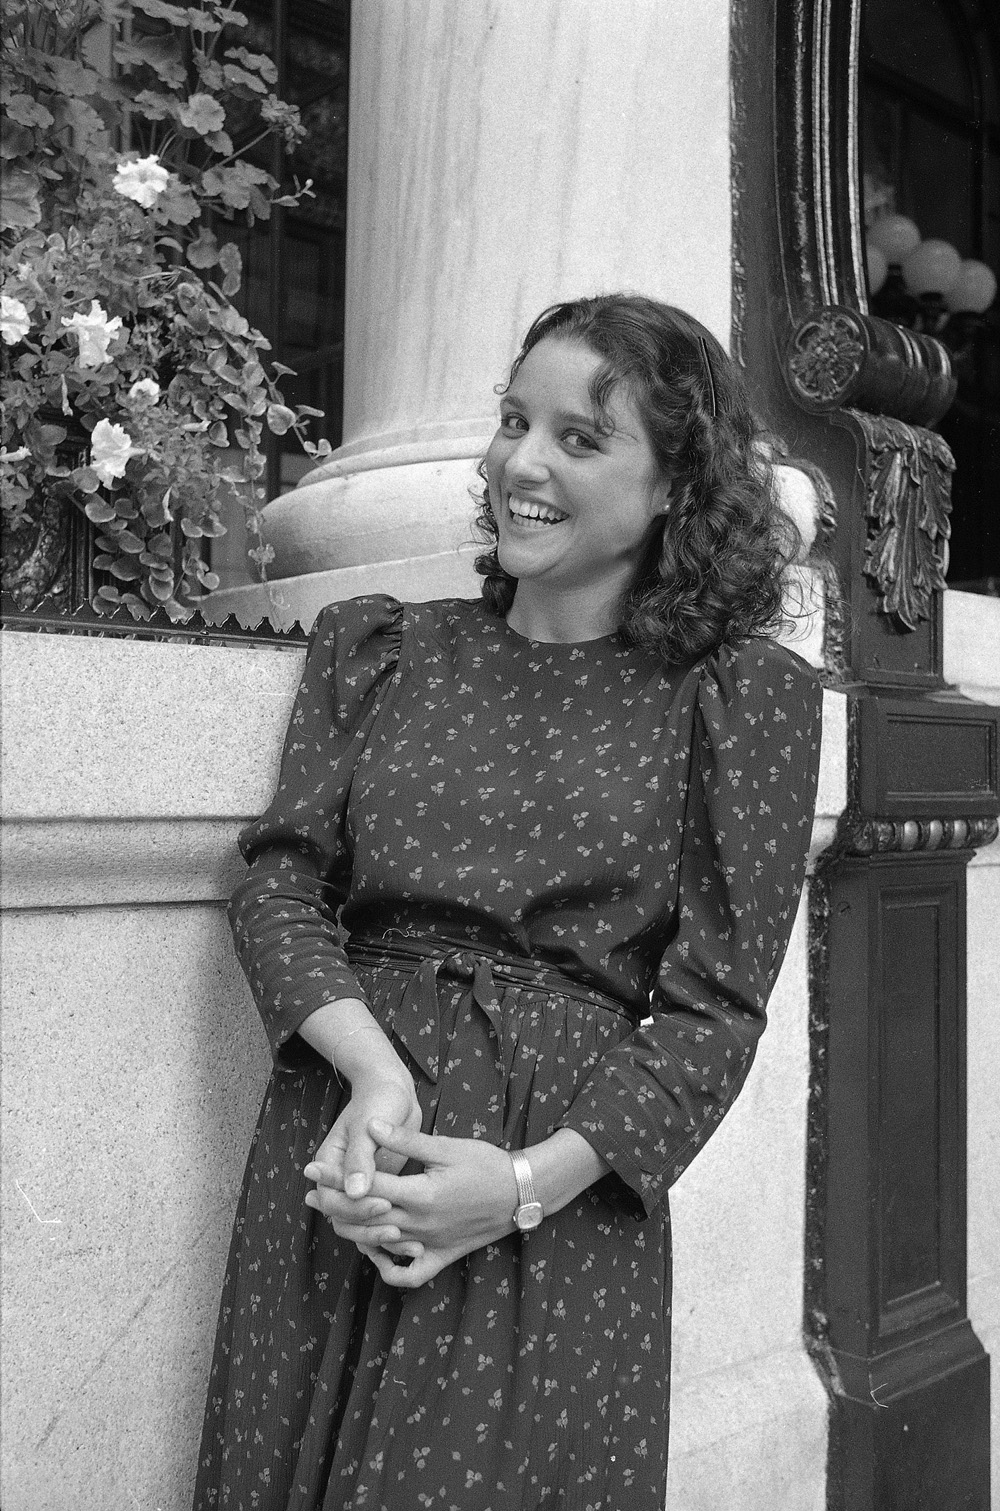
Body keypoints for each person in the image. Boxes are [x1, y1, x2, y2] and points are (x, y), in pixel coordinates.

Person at [193, 294, 823, 1511]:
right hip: (338, 1156)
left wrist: (522, 1183)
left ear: (674, 489)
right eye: (513, 420)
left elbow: (714, 1010)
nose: (520, 463)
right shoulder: (376, 648)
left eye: (582, 440)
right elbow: (279, 882)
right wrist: (369, 1070)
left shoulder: (739, 702)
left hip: (551, 1201)